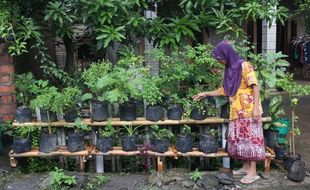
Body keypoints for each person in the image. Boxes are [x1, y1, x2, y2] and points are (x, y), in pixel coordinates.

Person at [193, 41, 265, 184]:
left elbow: (255, 86)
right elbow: (223, 90)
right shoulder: (229, 70)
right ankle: (245, 167)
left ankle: (253, 172)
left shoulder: (245, 66)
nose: (219, 61)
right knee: (242, 140)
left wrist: (256, 107)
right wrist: (205, 93)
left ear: (227, 54)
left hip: (250, 110)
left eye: (220, 58)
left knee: (252, 141)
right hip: (236, 112)